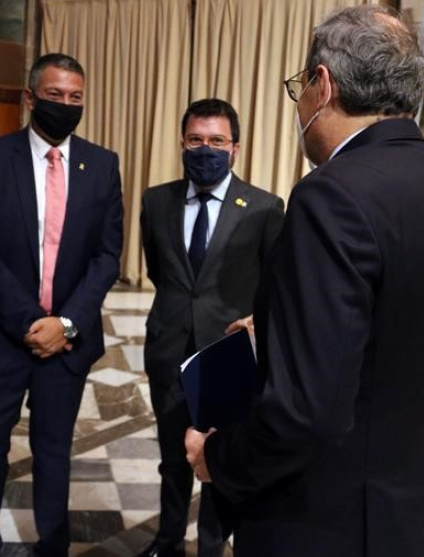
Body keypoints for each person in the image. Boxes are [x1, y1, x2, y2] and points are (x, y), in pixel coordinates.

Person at [184, 6, 424, 557]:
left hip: (330, 523)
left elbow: (305, 414)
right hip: (419, 515)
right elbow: (408, 333)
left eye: (300, 87)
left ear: (322, 85)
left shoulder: (329, 196)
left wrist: (220, 458)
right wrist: (284, 325)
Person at [0, 53, 124, 556]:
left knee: (53, 450)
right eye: (54, 95)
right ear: (29, 98)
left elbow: (107, 256)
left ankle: (52, 544)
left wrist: (66, 322)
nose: (66, 104)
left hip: (66, 340)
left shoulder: (102, 164)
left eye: (75, 97)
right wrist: (31, 321)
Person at [138, 99, 283, 557]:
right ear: (182, 143)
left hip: (226, 357)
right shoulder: (155, 201)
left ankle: (211, 548)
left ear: (235, 148)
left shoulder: (264, 208)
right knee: (172, 459)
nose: (206, 149)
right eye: (196, 140)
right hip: (169, 348)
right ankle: (167, 541)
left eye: (217, 141)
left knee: (219, 460)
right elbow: (159, 271)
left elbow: (272, 284)